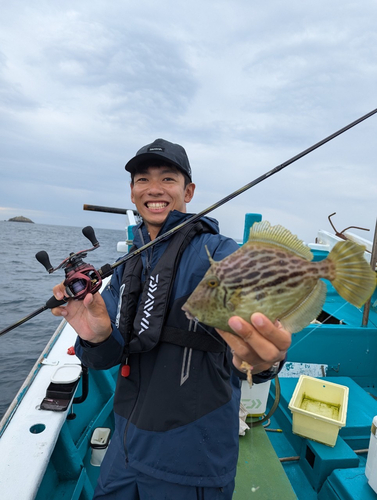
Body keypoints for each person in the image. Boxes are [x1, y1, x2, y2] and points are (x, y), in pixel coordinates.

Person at [52, 138, 291, 500]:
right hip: (125, 450)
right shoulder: (128, 263)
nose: (154, 189)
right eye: (143, 179)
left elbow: (261, 336)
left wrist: (263, 362)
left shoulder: (223, 254)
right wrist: (96, 338)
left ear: (188, 191)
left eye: (167, 179)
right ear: (132, 192)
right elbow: (107, 356)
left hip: (192, 460)